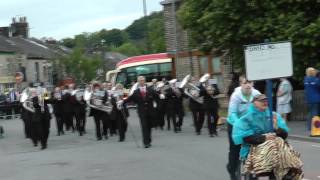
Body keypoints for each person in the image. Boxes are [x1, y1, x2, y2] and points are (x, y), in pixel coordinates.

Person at [232, 94, 302, 179]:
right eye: (261, 101)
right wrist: (264, 138)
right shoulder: (247, 118)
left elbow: (284, 135)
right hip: (253, 150)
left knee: (281, 149)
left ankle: (289, 170)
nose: (264, 102)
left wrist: (277, 128)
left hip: (274, 152)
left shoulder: (273, 115)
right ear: (254, 103)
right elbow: (246, 137)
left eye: (266, 100)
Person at [226, 76, 261, 180]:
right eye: (245, 83)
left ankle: (253, 173)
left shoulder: (256, 94)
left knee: (254, 148)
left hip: (249, 124)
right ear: (241, 84)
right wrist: (238, 124)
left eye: (250, 82)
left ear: (253, 83)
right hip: (234, 123)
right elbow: (232, 113)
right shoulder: (236, 95)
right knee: (235, 149)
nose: (248, 85)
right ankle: (232, 169)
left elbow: (261, 108)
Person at [124, 76, 159, 148]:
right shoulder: (136, 92)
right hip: (142, 112)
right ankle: (145, 143)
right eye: (140, 81)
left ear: (145, 81)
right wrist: (122, 102)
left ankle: (148, 140)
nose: (141, 82)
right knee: (144, 126)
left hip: (150, 111)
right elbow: (129, 99)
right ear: (138, 82)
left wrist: (161, 96)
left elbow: (156, 96)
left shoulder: (150, 89)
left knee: (149, 126)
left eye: (143, 80)